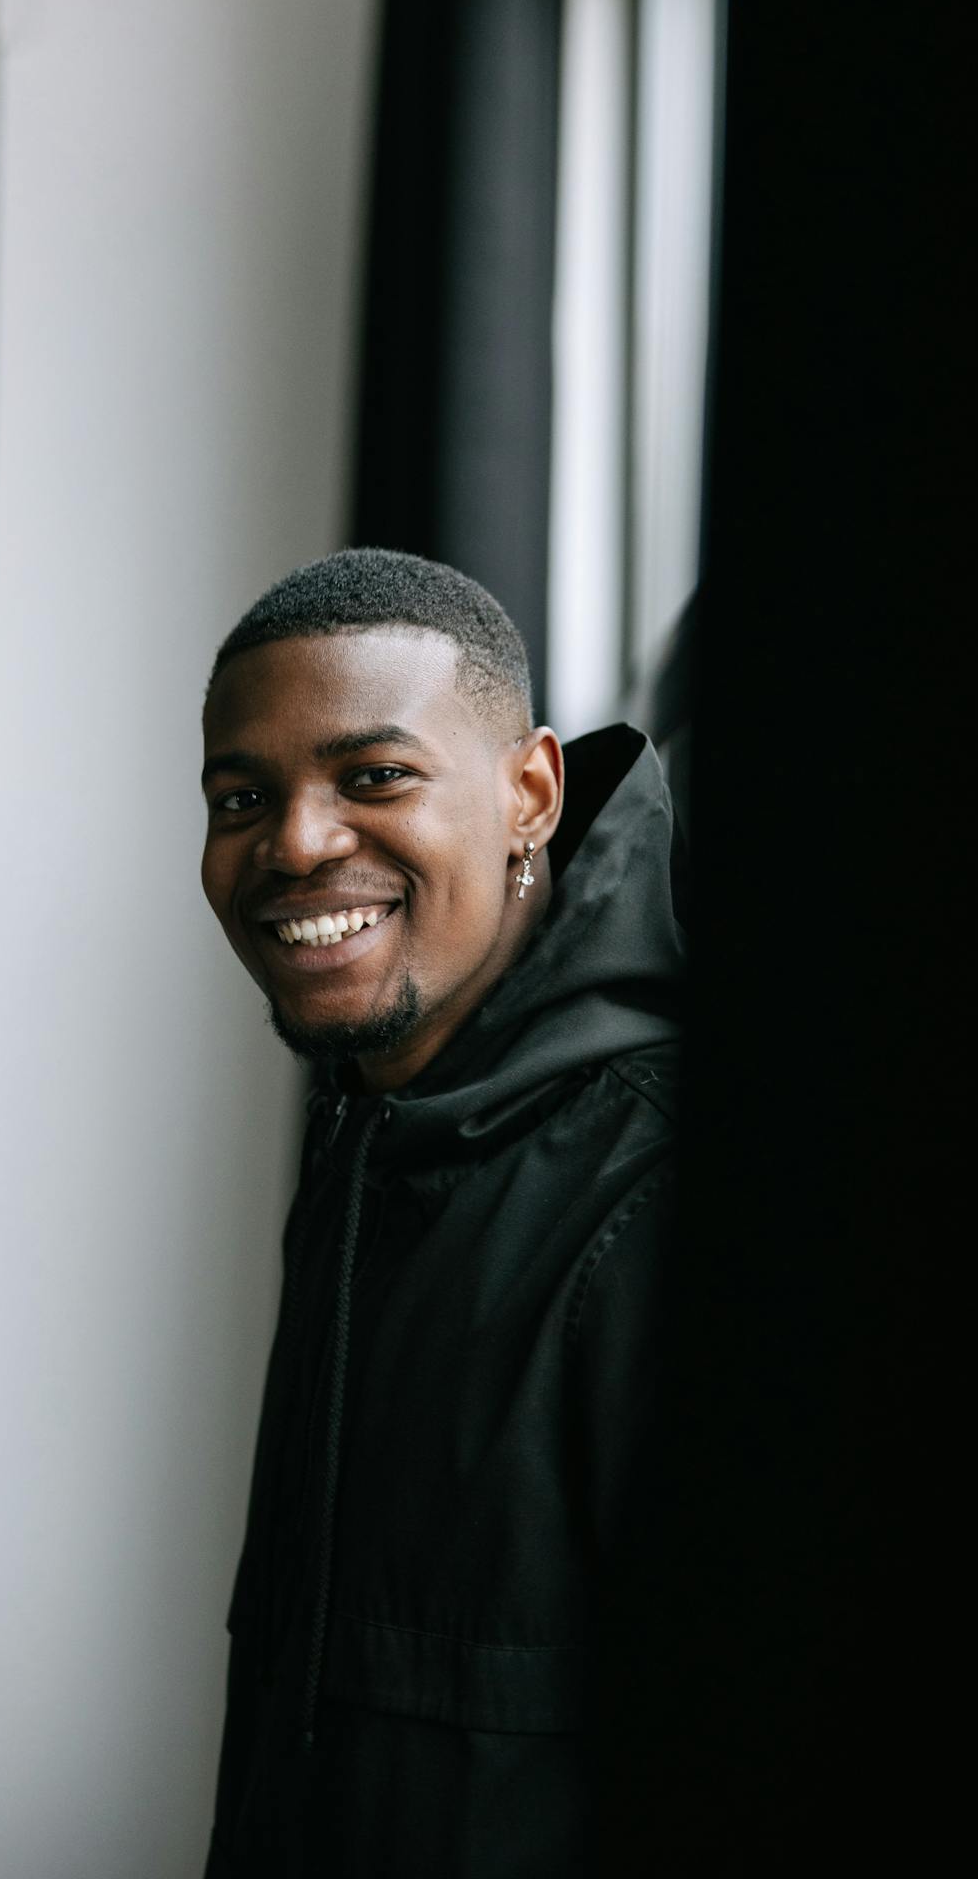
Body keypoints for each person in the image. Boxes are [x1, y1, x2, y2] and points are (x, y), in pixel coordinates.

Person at [200, 548, 684, 1878]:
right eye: (242, 797)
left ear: (531, 794)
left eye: (373, 776)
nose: (295, 843)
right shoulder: (373, 1140)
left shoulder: (649, 1197)